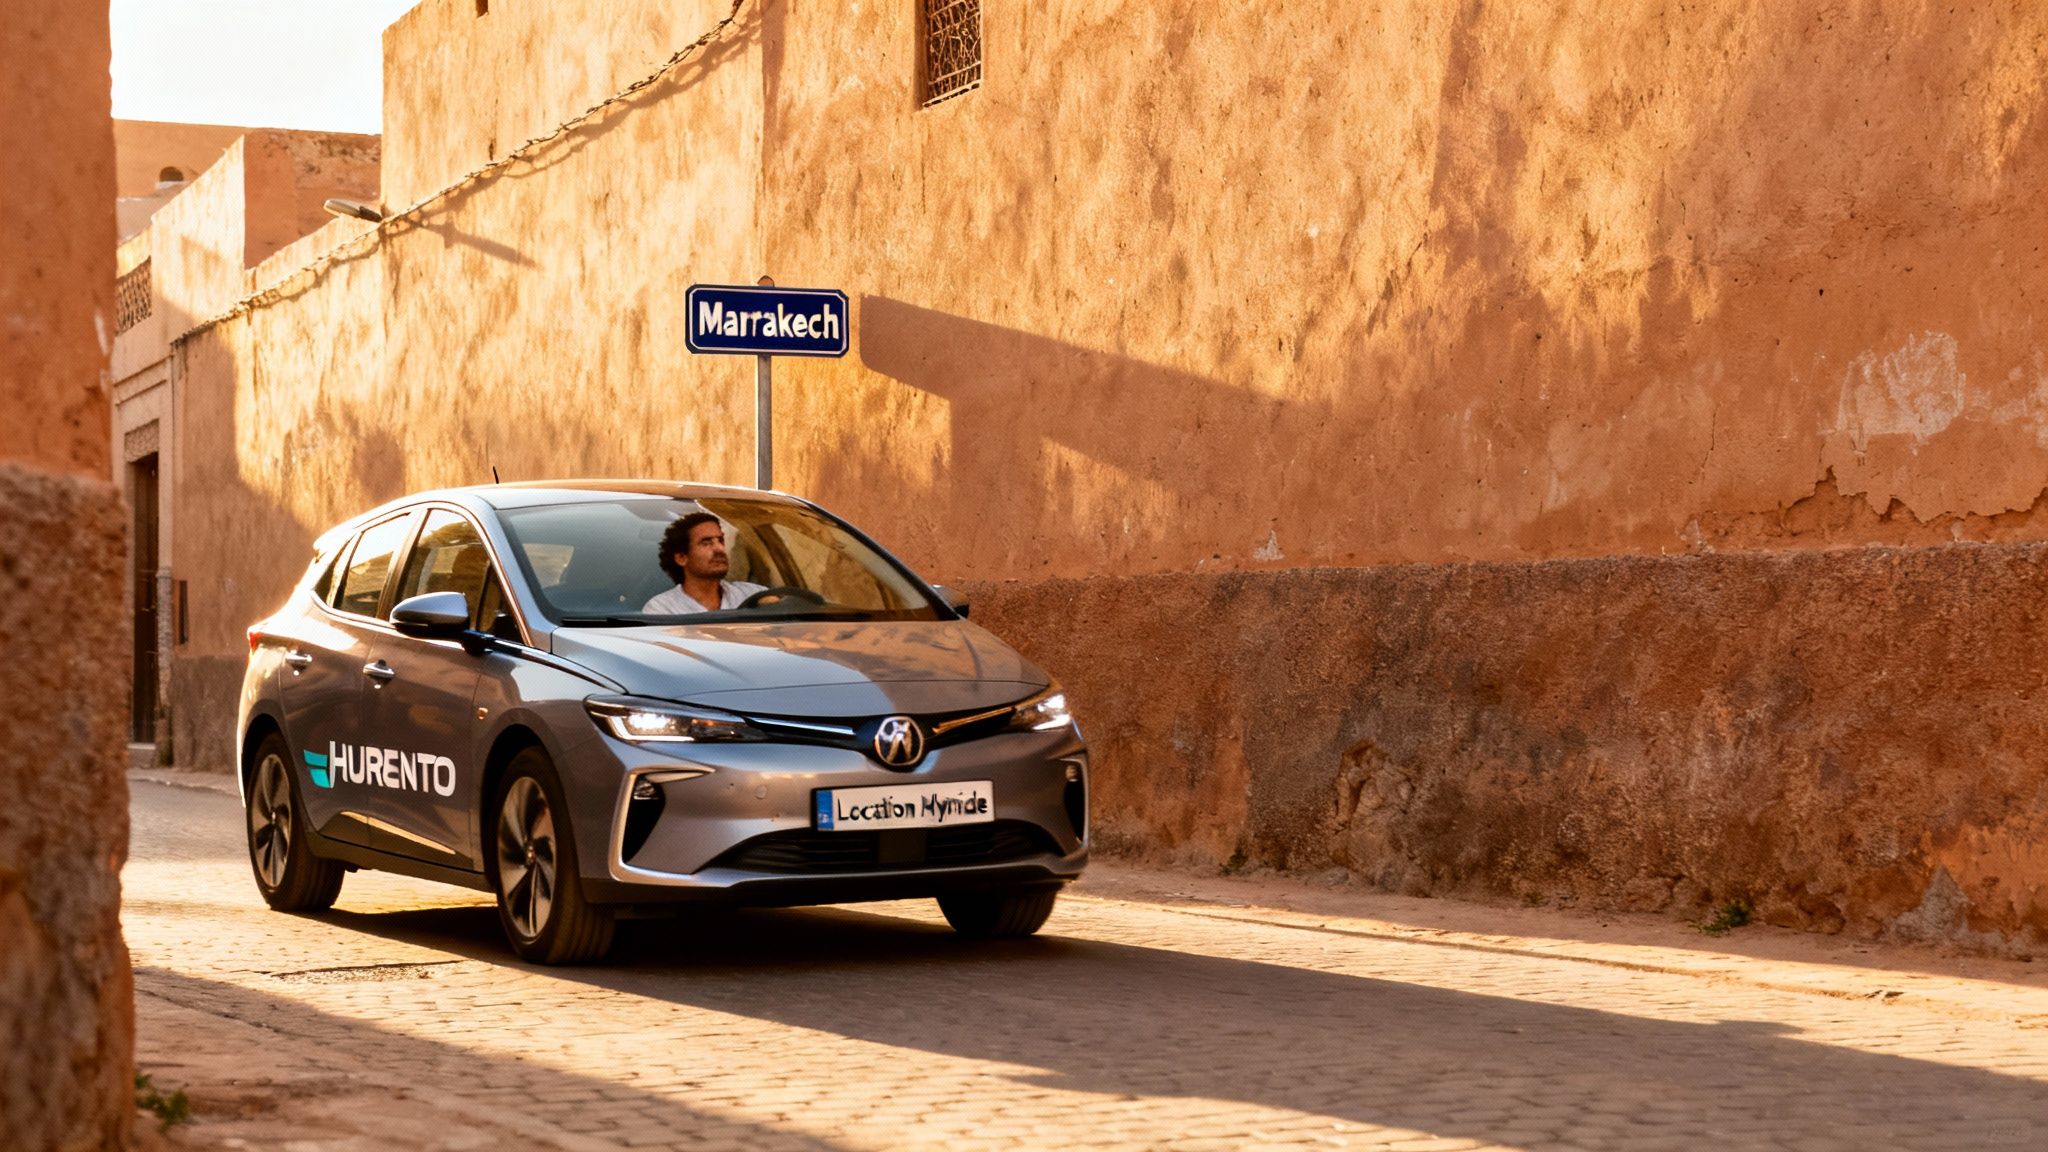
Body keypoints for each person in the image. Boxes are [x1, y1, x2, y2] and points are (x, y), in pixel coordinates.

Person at [642, 512, 767, 614]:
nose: (719, 549)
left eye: (720, 540)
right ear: (681, 558)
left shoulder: (752, 595)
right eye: (706, 543)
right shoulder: (662, 610)